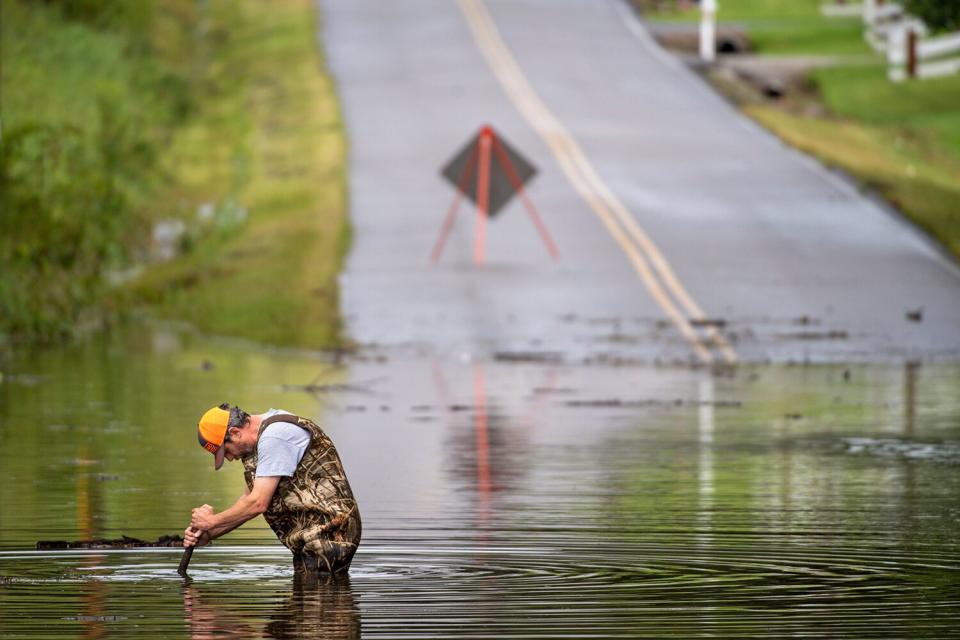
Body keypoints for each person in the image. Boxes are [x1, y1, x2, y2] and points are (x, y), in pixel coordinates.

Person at [184, 403, 361, 575]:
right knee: (309, 595)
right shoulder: (265, 438)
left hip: (331, 532)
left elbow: (258, 503)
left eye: (226, 451)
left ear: (235, 433)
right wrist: (208, 534)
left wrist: (211, 521)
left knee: (318, 594)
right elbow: (247, 501)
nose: (230, 458)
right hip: (313, 535)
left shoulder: (274, 438)